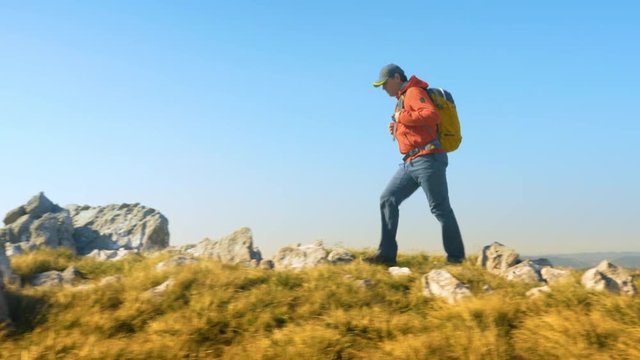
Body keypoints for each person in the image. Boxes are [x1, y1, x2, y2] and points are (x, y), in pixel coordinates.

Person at [364, 64, 465, 266]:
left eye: (385, 84)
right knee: (388, 199)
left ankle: (456, 259)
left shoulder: (413, 92)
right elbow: (416, 125)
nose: (384, 89)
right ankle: (386, 255)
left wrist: (403, 117)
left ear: (396, 77)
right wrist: (397, 126)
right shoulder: (400, 99)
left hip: (428, 159)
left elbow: (431, 114)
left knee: (440, 208)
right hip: (410, 162)